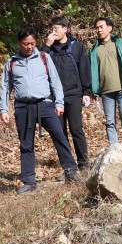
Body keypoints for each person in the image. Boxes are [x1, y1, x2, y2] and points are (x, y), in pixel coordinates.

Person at [0, 28, 82, 194]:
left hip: (45, 104)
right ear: (19, 43)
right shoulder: (12, 62)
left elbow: (55, 81)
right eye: (26, 44)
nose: (29, 47)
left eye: (32, 43)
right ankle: (29, 181)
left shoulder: (44, 57)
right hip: (23, 107)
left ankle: (71, 171)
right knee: (26, 144)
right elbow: (5, 87)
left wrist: (59, 103)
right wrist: (3, 108)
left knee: (59, 136)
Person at [42, 16, 92, 170]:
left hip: (74, 94)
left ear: (65, 29)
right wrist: (46, 46)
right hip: (56, 97)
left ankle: (83, 164)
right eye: (52, 28)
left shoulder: (76, 47)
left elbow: (84, 69)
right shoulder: (49, 49)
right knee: (60, 133)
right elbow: (38, 64)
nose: (54, 31)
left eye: (57, 28)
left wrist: (87, 91)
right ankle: (68, 167)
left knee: (76, 129)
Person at [89, 17, 122, 145]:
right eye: (97, 28)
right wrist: (94, 90)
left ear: (109, 28)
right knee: (110, 121)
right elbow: (93, 71)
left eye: (101, 27)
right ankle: (114, 148)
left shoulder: (120, 43)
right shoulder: (94, 50)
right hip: (106, 91)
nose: (99, 30)